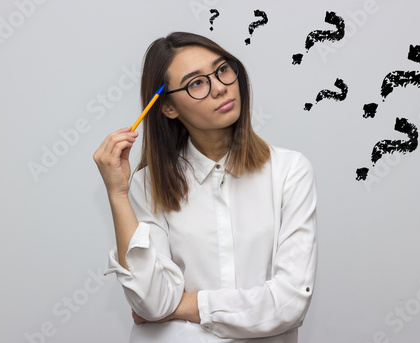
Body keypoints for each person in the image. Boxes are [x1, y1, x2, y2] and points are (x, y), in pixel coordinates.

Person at [94, 31, 317, 343]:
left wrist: (180, 306)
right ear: (168, 107)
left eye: (222, 69)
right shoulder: (148, 185)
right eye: (196, 82)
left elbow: (289, 303)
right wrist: (117, 193)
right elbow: (150, 300)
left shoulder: (289, 171)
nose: (220, 87)